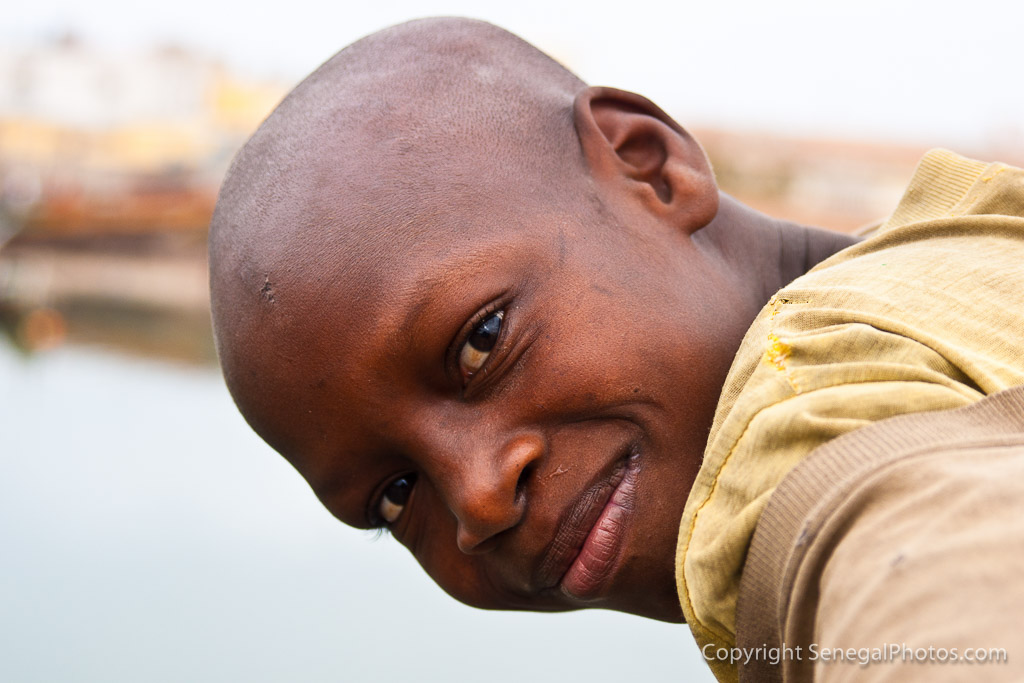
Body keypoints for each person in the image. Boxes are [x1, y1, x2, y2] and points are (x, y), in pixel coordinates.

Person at [208, 17, 1024, 682]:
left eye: (481, 342)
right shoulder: (966, 253)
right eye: (393, 495)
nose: (479, 503)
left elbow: (914, 559)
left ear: (649, 166)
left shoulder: (805, 424)